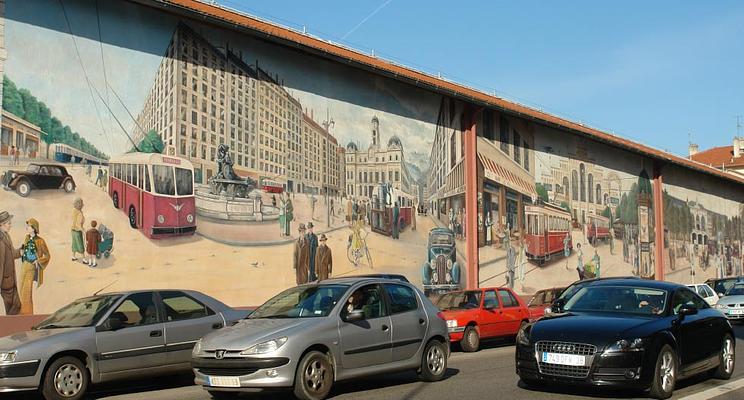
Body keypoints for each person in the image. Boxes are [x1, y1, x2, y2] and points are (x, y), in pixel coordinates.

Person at [19, 218, 50, 315]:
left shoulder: (40, 241)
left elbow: (48, 255)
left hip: (32, 267)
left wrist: (38, 260)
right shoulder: (27, 237)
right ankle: (22, 312)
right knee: (21, 289)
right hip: (24, 265)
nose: (27, 228)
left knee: (27, 291)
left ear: (34, 228)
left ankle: (27, 313)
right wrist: (22, 252)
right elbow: (24, 248)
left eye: (29, 226)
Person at [0, 211, 22, 315]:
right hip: (6, 284)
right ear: (1, 225)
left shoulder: (6, 236)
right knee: (13, 310)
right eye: (8, 223)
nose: (10, 225)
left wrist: (20, 252)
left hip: (11, 282)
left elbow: (12, 253)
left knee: (16, 307)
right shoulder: (0, 242)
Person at [71, 198, 85, 262]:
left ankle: (73, 256)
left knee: (74, 243)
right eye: (82, 204)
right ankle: (84, 258)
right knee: (80, 244)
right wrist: (83, 230)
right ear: (79, 205)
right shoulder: (79, 213)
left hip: (72, 230)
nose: (83, 205)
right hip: (77, 231)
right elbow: (78, 224)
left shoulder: (74, 210)